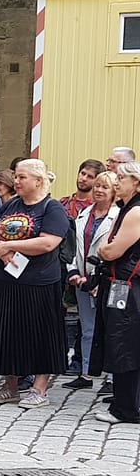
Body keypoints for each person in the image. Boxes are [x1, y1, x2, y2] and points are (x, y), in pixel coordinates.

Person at [0, 159, 70, 408]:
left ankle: (39, 388)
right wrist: (0, 252)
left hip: (38, 283)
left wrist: (7, 245)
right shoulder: (12, 206)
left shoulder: (52, 208)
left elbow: (47, 243)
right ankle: (11, 386)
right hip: (5, 279)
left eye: (22, 177)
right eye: (16, 177)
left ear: (38, 181)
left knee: (40, 334)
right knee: (6, 333)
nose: (16, 181)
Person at [91, 162, 140, 423]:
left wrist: (105, 250)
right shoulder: (124, 209)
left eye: (123, 178)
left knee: (125, 343)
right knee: (123, 342)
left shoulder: (135, 212)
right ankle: (125, 402)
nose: (117, 182)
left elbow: (110, 250)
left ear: (137, 182)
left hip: (129, 287)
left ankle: (127, 408)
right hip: (124, 284)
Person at [65, 170, 119, 390]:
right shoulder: (84, 213)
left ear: (115, 191)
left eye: (104, 187)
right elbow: (72, 247)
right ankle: (86, 374)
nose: (98, 190)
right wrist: (73, 273)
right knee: (87, 330)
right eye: (97, 186)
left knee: (111, 330)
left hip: (105, 281)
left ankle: (112, 378)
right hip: (82, 280)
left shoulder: (119, 216)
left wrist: (99, 279)